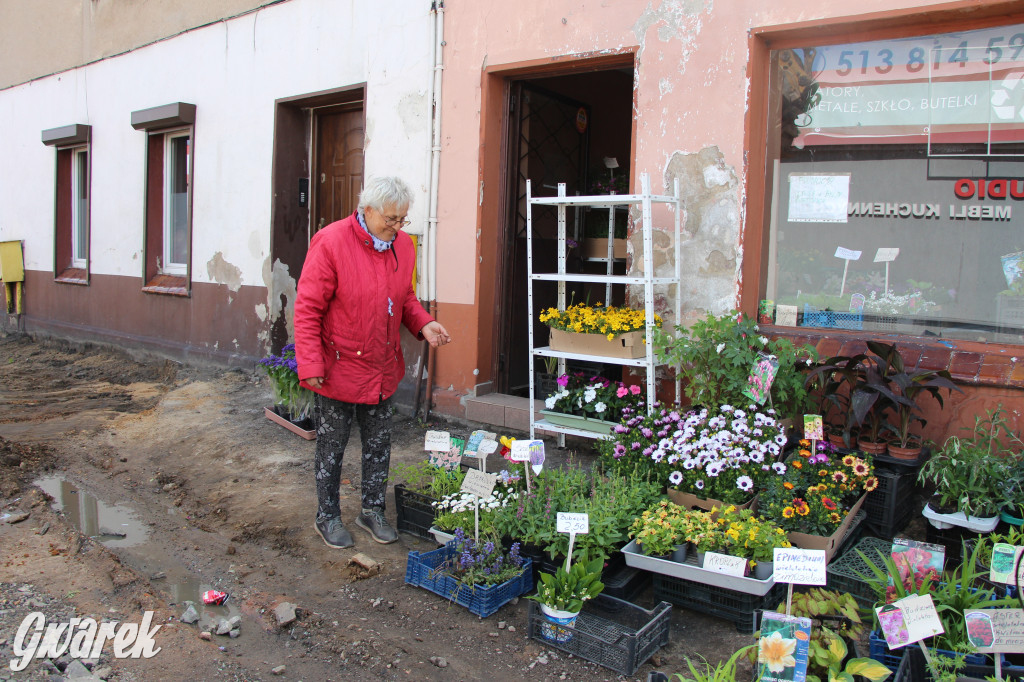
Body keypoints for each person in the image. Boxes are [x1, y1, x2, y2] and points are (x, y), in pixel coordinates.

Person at [294, 176, 451, 548]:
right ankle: (327, 516)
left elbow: (405, 297)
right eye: (391, 219)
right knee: (331, 447)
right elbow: (308, 307)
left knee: (379, 445)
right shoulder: (331, 242)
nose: (398, 227)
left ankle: (372, 510)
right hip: (338, 367)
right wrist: (311, 364)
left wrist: (424, 323)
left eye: (403, 220)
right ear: (367, 209)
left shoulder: (403, 247)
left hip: (381, 367)